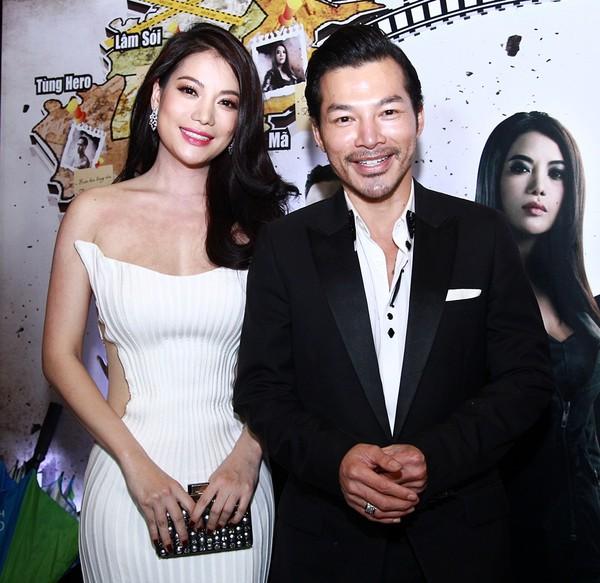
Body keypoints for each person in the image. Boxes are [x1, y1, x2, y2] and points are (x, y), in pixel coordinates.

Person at [234, 25, 554, 583]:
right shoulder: (284, 246)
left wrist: (435, 457)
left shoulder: (482, 234)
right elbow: (262, 391)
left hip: (463, 546)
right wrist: (337, 461)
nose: (369, 138)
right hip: (326, 550)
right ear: (318, 133)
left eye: (387, 112)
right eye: (344, 118)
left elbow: (526, 379)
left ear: (418, 117)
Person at [42, 22, 295, 582]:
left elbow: (288, 363)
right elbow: (58, 357)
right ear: (157, 95)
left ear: (241, 121)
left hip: (234, 486)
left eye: (226, 102)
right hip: (128, 478)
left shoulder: (261, 228)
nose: (205, 115)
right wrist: (137, 468)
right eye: (189, 90)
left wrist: (248, 458)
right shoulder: (93, 212)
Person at [476, 111, 600, 582]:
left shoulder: (584, 306)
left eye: (556, 173)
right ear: (495, 177)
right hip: (508, 546)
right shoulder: (469, 301)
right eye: (521, 167)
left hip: (587, 541)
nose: (539, 187)